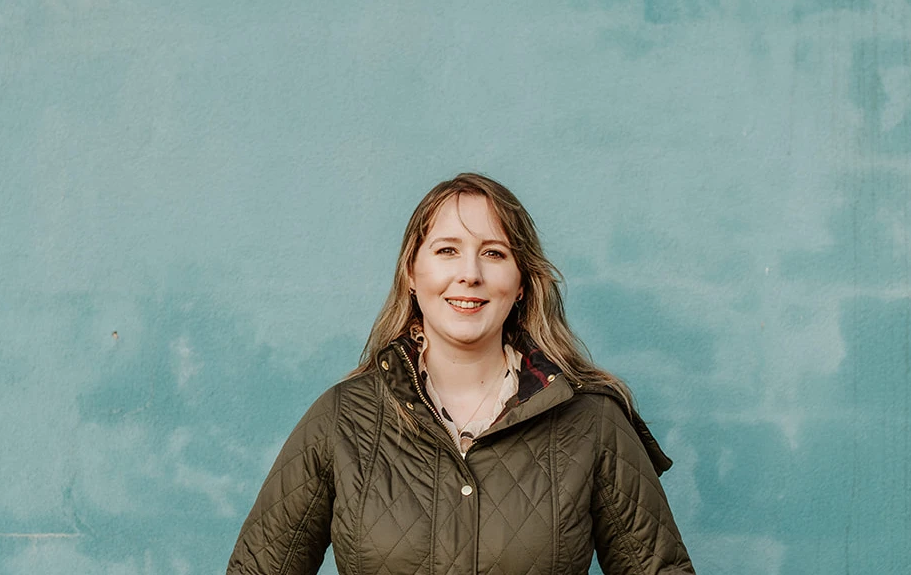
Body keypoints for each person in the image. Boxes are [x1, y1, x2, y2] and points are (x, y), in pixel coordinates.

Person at [227, 173, 694, 574]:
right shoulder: (342, 419)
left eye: (493, 253)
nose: (469, 273)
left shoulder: (592, 422)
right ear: (412, 272)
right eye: (447, 250)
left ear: (521, 284)